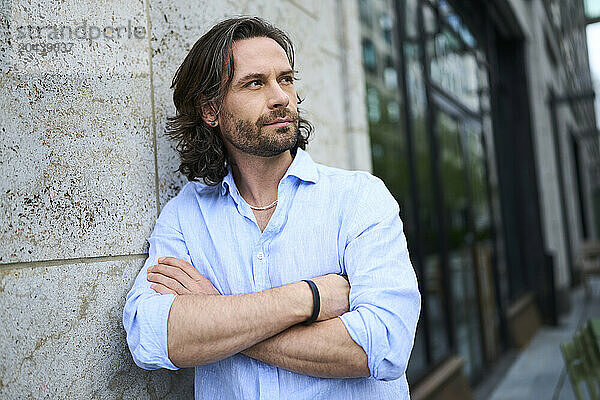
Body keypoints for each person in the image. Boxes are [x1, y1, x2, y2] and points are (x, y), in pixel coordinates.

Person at [123, 16, 420, 400]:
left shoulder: (359, 198)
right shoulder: (186, 215)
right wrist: (308, 298)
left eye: (286, 79)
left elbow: (383, 345)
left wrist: (217, 316)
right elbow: (149, 336)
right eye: (254, 83)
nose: (281, 96)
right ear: (211, 110)